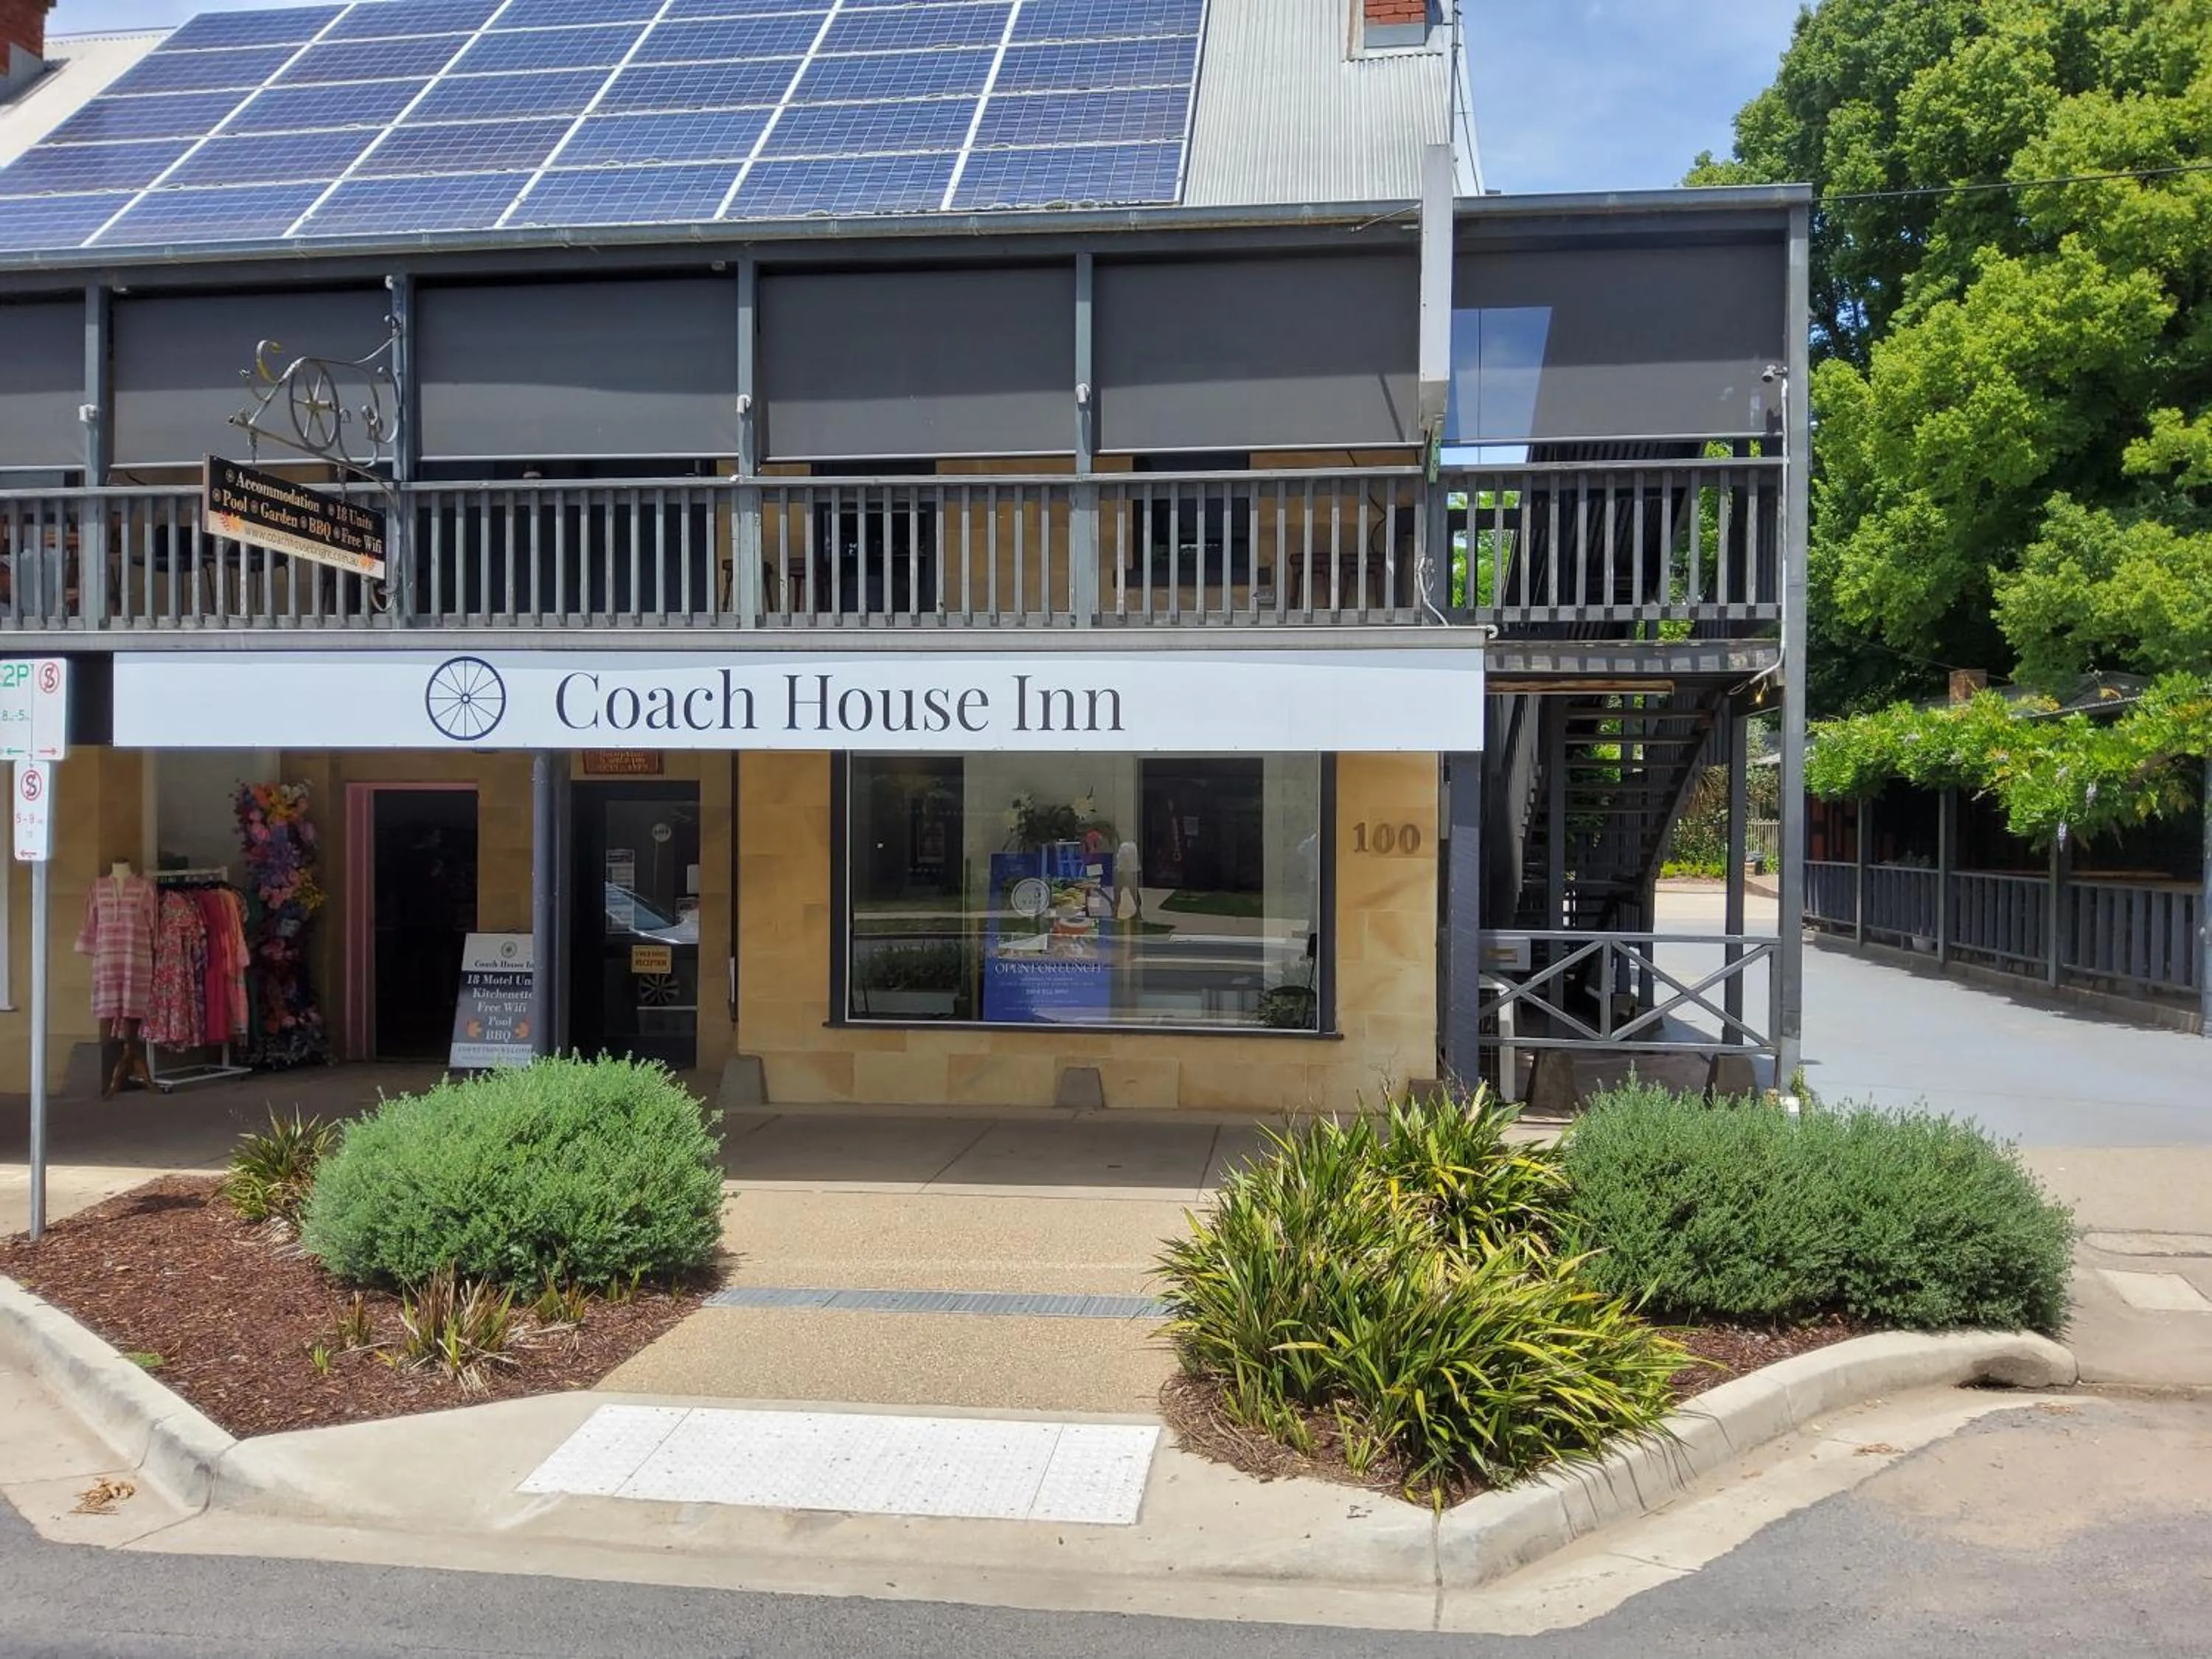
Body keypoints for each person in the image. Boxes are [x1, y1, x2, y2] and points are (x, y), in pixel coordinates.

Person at [1113, 836, 1144, 922]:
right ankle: (1139, 913)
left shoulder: (1124, 846)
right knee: (1133, 893)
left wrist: (1118, 870)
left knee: (1118, 892)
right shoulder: (1133, 846)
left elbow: (1121, 860)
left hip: (1124, 872)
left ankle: (1115, 913)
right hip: (1132, 871)